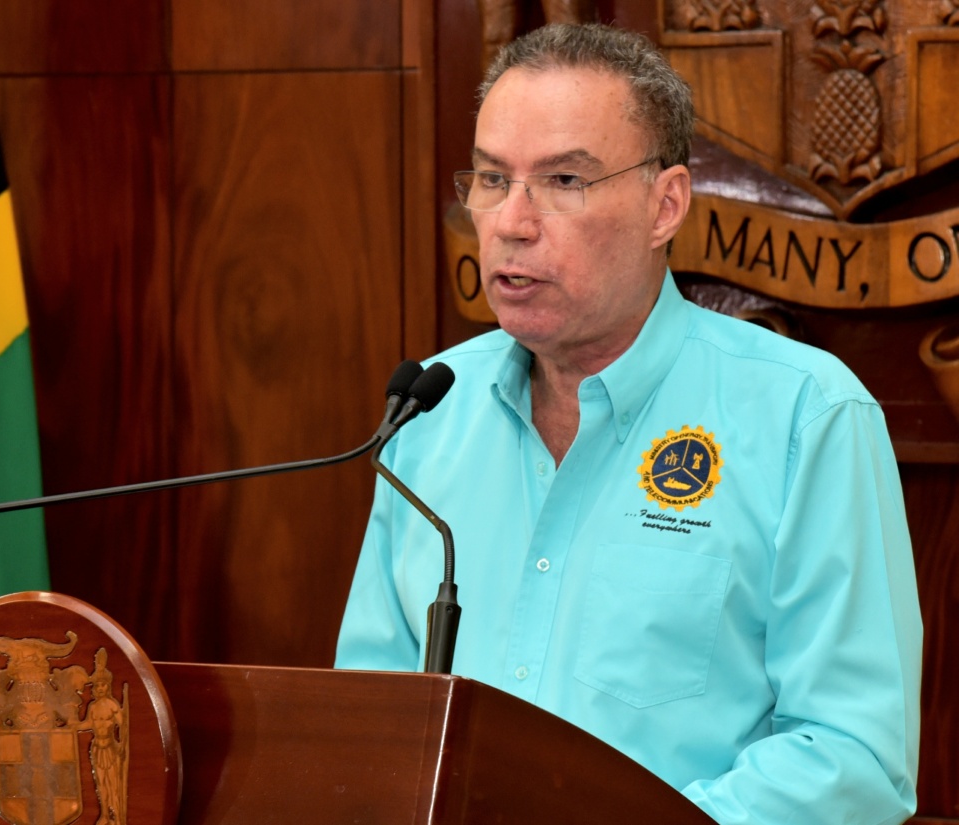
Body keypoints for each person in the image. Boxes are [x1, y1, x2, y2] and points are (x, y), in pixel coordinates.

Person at [334, 22, 922, 825]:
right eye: (492, 178)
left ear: (664, 203)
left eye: (565, 180)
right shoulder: (431, 408)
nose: (512, 219)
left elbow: (853, 756)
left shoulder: (805, 414)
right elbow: (364, 718)